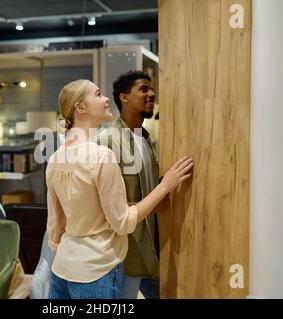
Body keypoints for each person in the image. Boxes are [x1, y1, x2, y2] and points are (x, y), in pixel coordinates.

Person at [46, 79, 193, 299]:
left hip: (62, 270)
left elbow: (55, 225)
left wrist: (68, 246)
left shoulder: (55, 158)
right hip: (96, 271)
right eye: (98, 94)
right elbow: (122, 223)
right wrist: (165, 187)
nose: (106, 99)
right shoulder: (102, 155)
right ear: (81, 108)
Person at [97, 70, 162, 299]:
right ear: (124, 97)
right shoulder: (107, 141)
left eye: (151, 89)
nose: (152, 93)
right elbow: (104, 203)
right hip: (125, 250)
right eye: (143, 89)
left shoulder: (145, 138)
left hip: (152, 245)